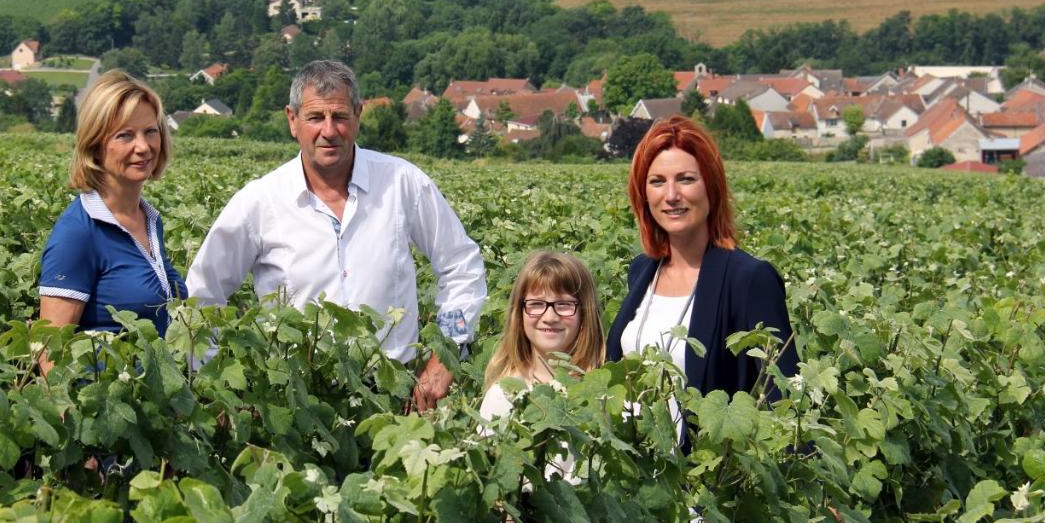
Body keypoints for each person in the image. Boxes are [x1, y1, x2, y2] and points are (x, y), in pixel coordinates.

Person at [186, 60, 487, 411]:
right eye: (315, 117)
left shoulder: (402, 183)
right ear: (291, 120)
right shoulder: (260, 201)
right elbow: (202, 295)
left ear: (358, 116)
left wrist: (445, 357)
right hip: (296, 404)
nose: (329, 130)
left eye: (340, 116)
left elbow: (461, 266)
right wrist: (219, 387)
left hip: (395, 398)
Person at [605, 115, 798, 428]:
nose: (671, 195)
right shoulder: (642, 270)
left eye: (685, 179)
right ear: (643, 194)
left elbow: (784, 398)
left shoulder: (749, 279)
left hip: (706, 471)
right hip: (637, 469)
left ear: (711, 185)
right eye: (657, 181)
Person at [37, 70, 186, 368]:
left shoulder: (149, 219)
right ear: (95, 145)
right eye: (125, 135)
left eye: (150, 131)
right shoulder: (79, 232)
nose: (143, 147)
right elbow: (50, 357)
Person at [480, 251, 604, 419]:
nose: (550, 317)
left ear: (585, 313)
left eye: (564, 304)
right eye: (536, 304)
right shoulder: (504, 395)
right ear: (519, 314)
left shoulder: (603, 394)